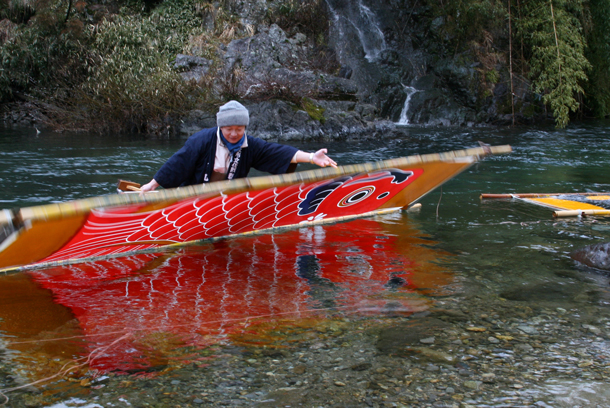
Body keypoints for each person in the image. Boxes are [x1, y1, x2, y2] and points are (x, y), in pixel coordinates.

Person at [140, 100, 337, 192]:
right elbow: (178, 163)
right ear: (220, 127)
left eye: (239, 129)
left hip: (228, 199)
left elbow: (278, 153)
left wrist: (312, 157)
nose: (234, 134)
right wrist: (152, 185)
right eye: (229, 129)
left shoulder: (249, 144)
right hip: (195, 196)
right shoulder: (201, 140)